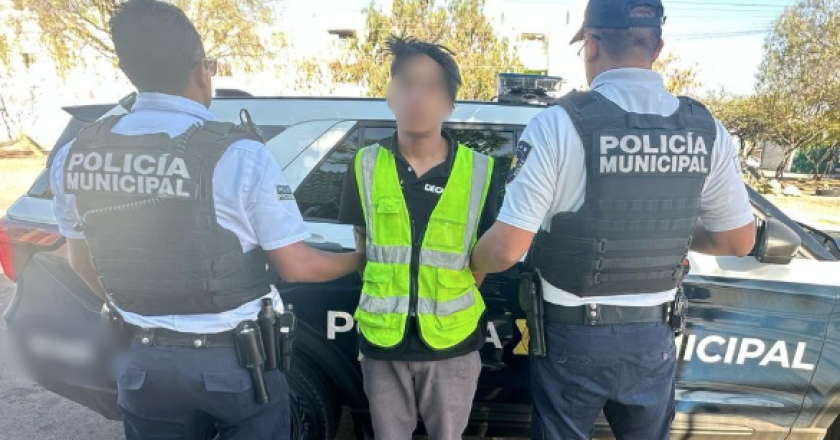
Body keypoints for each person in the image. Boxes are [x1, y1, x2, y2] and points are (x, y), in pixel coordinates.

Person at [49, 1, 364, 439]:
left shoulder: (75, 154)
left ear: (128, 69)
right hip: (234, 364)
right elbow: (297, 265)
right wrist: (362, 257)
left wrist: (145, 308)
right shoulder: (239, 154)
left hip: (142, 362)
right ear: (201, 69)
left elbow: (81, 261)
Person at [470, 1, 757, 439]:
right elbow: (737, 241)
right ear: (657, 47)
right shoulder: (706, 130)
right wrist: (666, 232)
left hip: (573, 334)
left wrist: (472, 264)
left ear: (591, 44)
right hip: (653, 336)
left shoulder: (557, 124)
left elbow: (508, 248)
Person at [338, 36, 498, 440]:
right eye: (406, 83)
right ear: (389, 93)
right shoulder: (363, 165)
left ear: (450, 103)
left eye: (431, 86)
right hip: (382, 343)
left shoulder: (481, 171)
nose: (417, 96)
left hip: (452, 344)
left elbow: (482, 259)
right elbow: (363, 243)